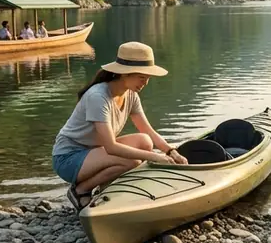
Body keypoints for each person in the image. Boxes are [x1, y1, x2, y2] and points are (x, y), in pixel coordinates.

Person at [52, 41, 188, 210]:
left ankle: (105, 189)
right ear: (125, 74)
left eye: (148, 78)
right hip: (68, 158)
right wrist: (155, 157)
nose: (145, 83)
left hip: (93, 153)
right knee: (131, 162)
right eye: (142, 77)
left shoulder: (131, 95)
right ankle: (81, 190)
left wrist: (171, 151)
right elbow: (111, 147)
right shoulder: (98, 97)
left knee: (145, 141)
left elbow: (148, 131)